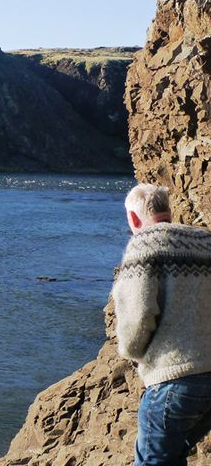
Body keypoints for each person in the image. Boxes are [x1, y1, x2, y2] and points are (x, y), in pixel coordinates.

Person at [112, 183, 211, 465]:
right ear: (169, 209)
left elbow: (138, 315)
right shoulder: (206, 240)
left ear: (133, 218)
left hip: (174, 377)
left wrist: (132, 352)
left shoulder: (144, 245)